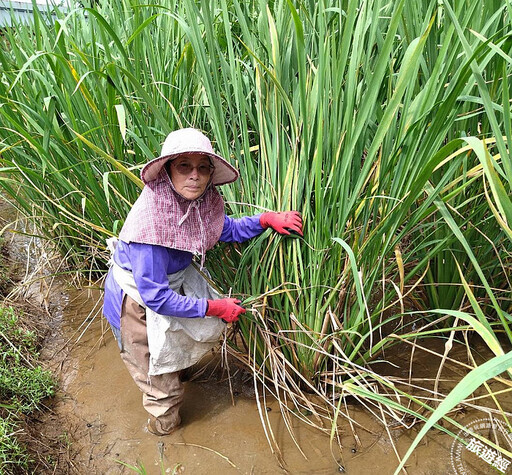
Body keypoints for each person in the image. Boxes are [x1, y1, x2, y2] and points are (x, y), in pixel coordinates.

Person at [102, 127, 303, 436]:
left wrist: (265, 220)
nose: (194, 175)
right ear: (168, 171)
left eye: (202, 167)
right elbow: (156, 298)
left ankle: (179, 380)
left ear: (211, 173)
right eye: (184, 166)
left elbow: (227, 230)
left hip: (172, 284)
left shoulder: (199, 203)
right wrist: (215, 307)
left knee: (178, 359)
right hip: (136, 303)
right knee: (160, 382)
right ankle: (164, 436)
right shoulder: (151, 226)